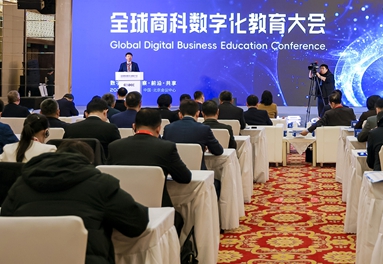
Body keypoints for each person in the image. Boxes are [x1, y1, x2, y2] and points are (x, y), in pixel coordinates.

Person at [0, 140, 149, 264]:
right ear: (89, 162)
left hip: (28, 259)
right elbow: (136, 223)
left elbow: (5, 225)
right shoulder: (101, 184)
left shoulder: (21, 184)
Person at [107, 108, 192, 208]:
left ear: (134, 126)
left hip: (121, 207)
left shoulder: (114, 146)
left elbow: (108, 177)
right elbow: (185, 177)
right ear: (158, 128)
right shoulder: (166, 148)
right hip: (158, 209)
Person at [163, 99, 223, 170]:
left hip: (173, 172)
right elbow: (218, 151)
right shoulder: (204, 129)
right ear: (198, 113)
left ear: (180, 114)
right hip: (198, 172)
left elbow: (164, 151)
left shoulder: (168, 128)